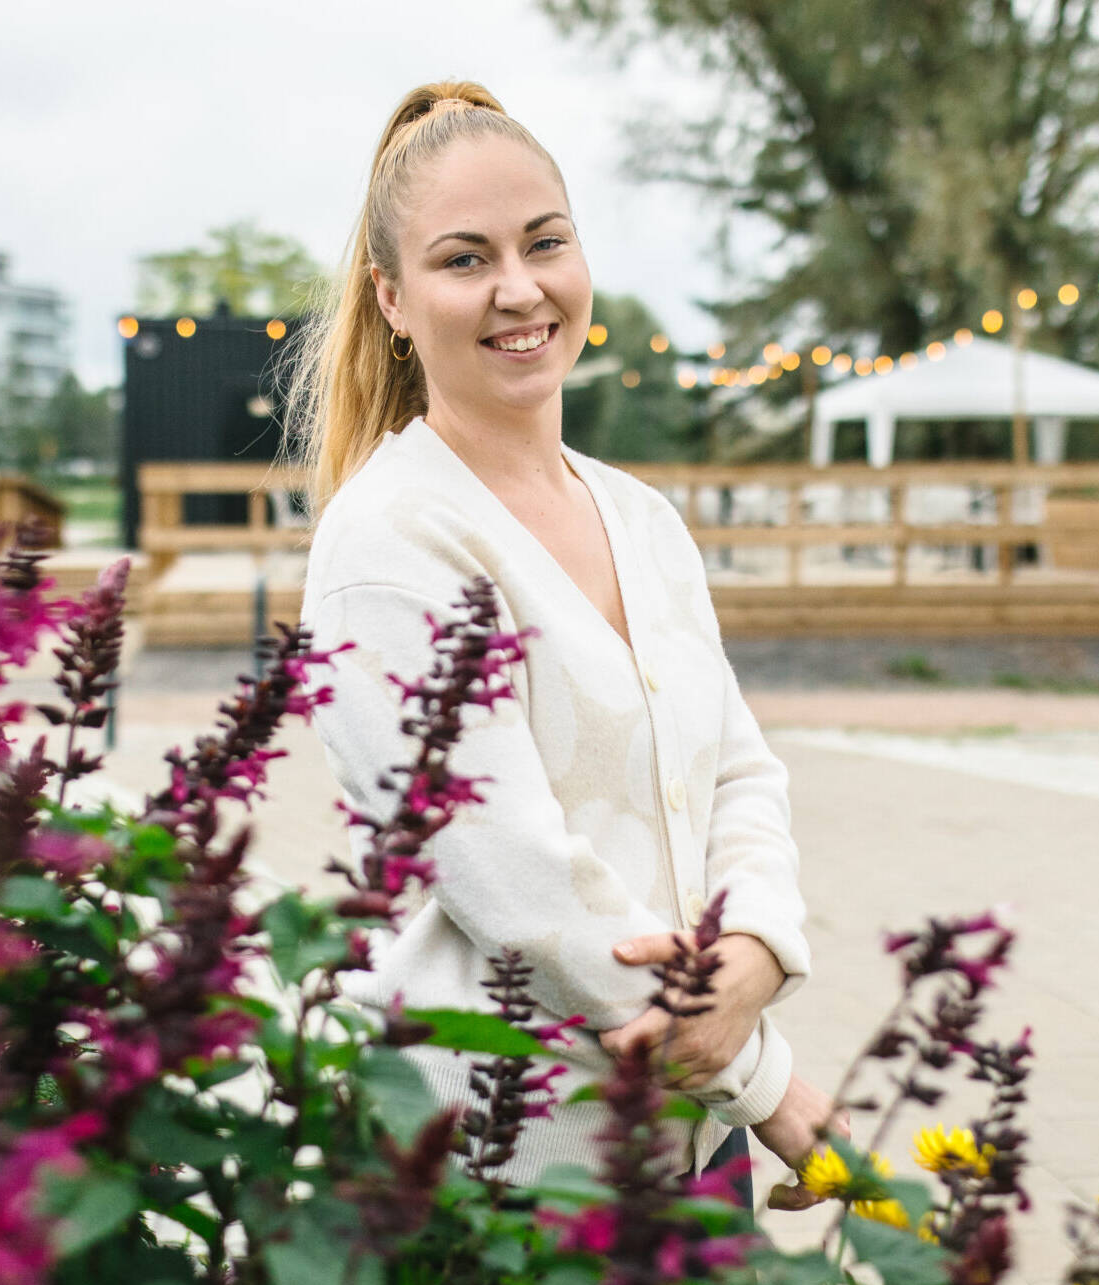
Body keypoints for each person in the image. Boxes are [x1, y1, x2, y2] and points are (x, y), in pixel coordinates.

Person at [289, 80, 840, 1205]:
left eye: (545, 242)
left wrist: (755, 947)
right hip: (507, 1169)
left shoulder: (645, 520)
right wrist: (767, 1082)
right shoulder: (388, 542)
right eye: (465, 259)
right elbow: (513, 877)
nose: (518, 288)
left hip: (696, 1147)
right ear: (392, 298)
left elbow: (737, 775)